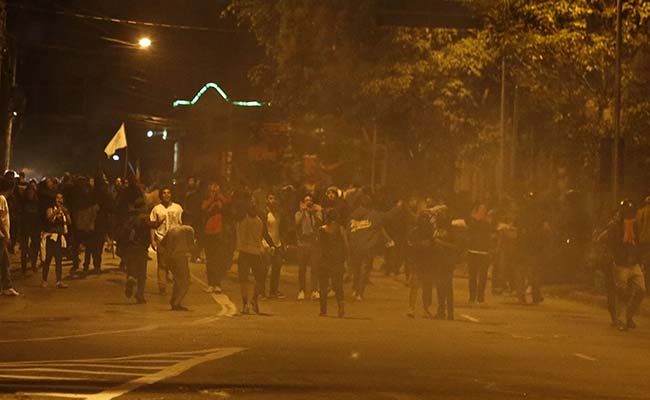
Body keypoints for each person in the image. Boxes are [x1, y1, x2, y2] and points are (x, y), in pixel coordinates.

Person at [600, 200, 646, 331]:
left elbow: (638, 242)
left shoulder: (635, 225)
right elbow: (611, 244)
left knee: (641, 290)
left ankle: (629, 315)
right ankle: (621, 320)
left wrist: (638, 258)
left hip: (634, 263)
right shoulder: (614, 226)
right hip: (621, 264)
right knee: (621, 292)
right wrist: (616, 258)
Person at [236, 198, 274, 314]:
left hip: (253, 252)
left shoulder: (257, 220)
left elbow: (264, 234)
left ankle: (252, 300)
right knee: (246, 279)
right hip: (247, 251)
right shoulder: (244, 218)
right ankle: (247, 302)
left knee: (258, 278)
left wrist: (271, 245)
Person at [122, 197, 156, 304]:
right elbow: (150, 225)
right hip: (141, 247)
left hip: (129, 247)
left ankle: (131, 279)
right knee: (142, 272)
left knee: (131, 268)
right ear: (143, 207)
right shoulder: (144, 217)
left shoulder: (130, 217)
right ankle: (140, 294)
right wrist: (160, 221)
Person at [150, 187, 183, 295]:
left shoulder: (177, 208)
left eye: (168, 193)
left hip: (175, 240)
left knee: (176, 264)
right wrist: (153, 241)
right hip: (161, 239)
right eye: (164, 193)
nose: (166, 195)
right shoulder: (157, 209)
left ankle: (177, 285)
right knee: (162, 264)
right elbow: (152, 226)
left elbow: (182, 224)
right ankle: (162, 287)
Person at [317, 209, 348, 317]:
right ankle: (341, 306)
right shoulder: (340, 229)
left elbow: (318, 247)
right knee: (338, 285)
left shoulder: (321, 230)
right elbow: (346, 245)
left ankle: (323, 310)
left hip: (324, 260)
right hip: (337, 260)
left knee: (323, 285)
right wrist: (345, 260)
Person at [432, 207, 461, 320]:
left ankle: (450, 313)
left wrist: (441, 243)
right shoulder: (436, 230)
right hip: (437, 261)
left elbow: (456, 247)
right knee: (439, 287)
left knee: (447, 287)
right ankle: (441, 311)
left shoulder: (451, 231)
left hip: (448, 262)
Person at [201, 182, 230, 294]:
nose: (214, 191)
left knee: (218, 259)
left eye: (215, 189)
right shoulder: (207, 200)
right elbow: (204, 208)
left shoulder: (221, 200)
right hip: (208, 232)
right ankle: (210, 283)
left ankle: (217, 283)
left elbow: (227, 204)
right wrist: (213, 198)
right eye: (212, 190)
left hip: (219, 232)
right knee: (210, 259)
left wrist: (219, 195)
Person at [160, 223, 195, 311]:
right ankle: (176, 302)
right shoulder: (189, 229)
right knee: (185, 281)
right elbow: (191, 246)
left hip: (169, 257)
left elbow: (163, 244)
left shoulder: (172, 229)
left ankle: (174, 300)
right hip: (180, 257)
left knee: (177, 280)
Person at [406, 210, 434, 318]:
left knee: (427, 286)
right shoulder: (414, 232)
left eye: (426, 218)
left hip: (427, 262)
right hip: (417, 262)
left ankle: (425, 309)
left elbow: (433, 246)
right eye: (423, 218)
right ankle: (411, 308)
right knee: (415, 286)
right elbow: (410, 246)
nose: (425, 221)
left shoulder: (430, 232)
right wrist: (420, 245)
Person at [295, 194, 323, 300]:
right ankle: (301, 290)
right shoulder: (298, 213)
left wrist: (313, 213)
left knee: (315, 268)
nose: (308, 202)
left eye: (310, 200)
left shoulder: (317, 213)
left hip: (314, 243)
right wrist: (303, 212)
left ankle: (314, 290)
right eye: (306, 200)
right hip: (302, 243)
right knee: (302, 268)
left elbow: (320, 223)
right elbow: (297, 224)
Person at [42, 192, 71, 288]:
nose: (60, 200)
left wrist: (65, 213)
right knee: (48, 259)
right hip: (51, 237)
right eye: (58, 198)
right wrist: (56, 212)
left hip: (59, 236)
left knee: (59, 259)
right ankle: (44, 280)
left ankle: (59, 280)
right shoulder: (50, 209)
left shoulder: (63, 210)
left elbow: (69, 222)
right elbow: (48, 219)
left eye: (61, 198)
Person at [466, 203, 492, 303]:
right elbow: (470, 229)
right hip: (473, 251)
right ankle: (472, 296)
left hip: (484, 252)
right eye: (481, 209)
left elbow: (490, 233)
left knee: (483, 276)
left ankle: (480, 296)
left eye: (484, 209)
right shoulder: (472, 220)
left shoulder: (487, 222)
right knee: (472, 275)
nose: (482, 211)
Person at [263, 192, 286, 299]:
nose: (272, 201)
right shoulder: (265, 213)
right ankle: (261, 291)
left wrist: (282, 242)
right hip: (266, 243)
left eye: (274, 198)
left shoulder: (277, 213)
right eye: (270, 198)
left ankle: (273, 291)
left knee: (277, 267)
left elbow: (280, 228)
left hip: (277, 243)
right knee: (264, 268)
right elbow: (263, 230)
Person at [0, 176, 19, 296]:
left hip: (2, 235)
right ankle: (6, 286)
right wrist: (6, 235)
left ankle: (7, 286)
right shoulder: (1, 199)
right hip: (1, 235)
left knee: (5, 261)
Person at [19, 181, 40, 275]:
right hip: (25, 227)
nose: (30, 194)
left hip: (35, 227)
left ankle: (33, 264)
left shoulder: (37, 202)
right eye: (29, 192)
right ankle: (24, 267)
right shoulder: (23, 202)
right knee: (24, 248)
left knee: (35, 247)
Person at [183, 176, 204, 263]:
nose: (190, 183)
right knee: (192, 237)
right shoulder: (188, 194)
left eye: (192, 181)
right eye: (189, 181)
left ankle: (196, 255)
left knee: (199, 238)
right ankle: (194, 255)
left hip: (198, 218)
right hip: (191, 218)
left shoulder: (199, 194)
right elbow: (186, 206)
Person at [635, 196, 650, 291]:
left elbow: (637, 227)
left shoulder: (640, 212)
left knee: (643, 264)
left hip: (641, 242)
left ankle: (643, 286)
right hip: (647, 241)